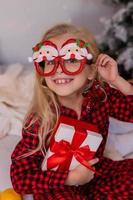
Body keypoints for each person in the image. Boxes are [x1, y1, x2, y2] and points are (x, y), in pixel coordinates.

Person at [10, 23, 133, 200]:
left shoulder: (99, 96)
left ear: (91, 70)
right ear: (43, 74)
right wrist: (70, 178)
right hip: (58, 184)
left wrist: (117, 80)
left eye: (72, 59)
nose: (59, 69)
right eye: (50, 61)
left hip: (95, 172)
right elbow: (20, 179)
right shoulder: (40, 119)